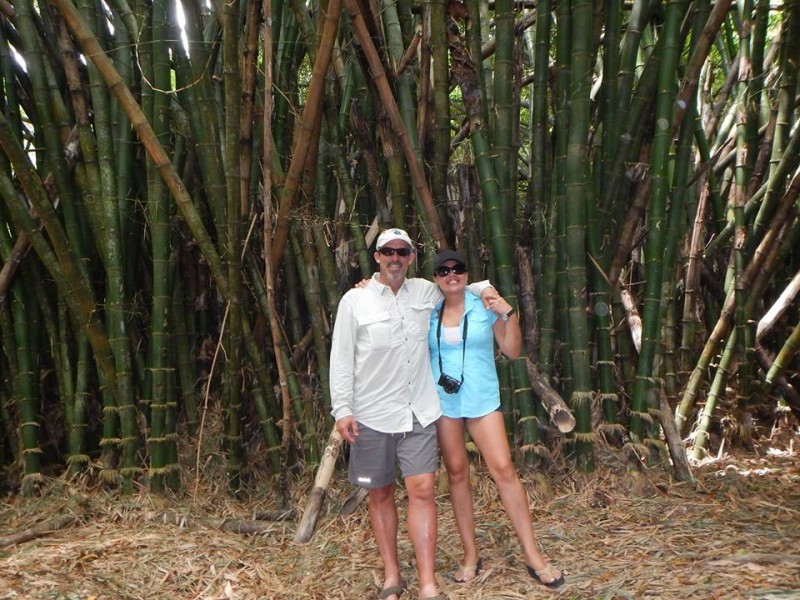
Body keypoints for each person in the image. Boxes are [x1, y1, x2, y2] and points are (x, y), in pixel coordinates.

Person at [329, 229, 496, 600]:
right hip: (372, 413)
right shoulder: (354, 301)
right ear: (376, 256)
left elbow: (458, 284)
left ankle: (427, 582)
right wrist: (343, 409)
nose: (395, 257)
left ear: (411, 256)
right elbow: (340, 358)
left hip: (419, 411)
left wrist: (484, 289)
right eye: (387, 251)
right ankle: (392, 576)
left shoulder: (425, 290)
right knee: (381, 493)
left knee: (422, 490)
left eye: (402, 251)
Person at [429, 249, 565, 589]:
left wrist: (510, 315)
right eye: (443, 271)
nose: (451, 275)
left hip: (482, 400)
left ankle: (533, 555)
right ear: (436, 278)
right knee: (457, 474)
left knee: (504, 470)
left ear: (466, 273)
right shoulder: (428, 310)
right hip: (444, 403)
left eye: (457, 268)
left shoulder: (483, 306)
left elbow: (512, 350)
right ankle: (470, 554)